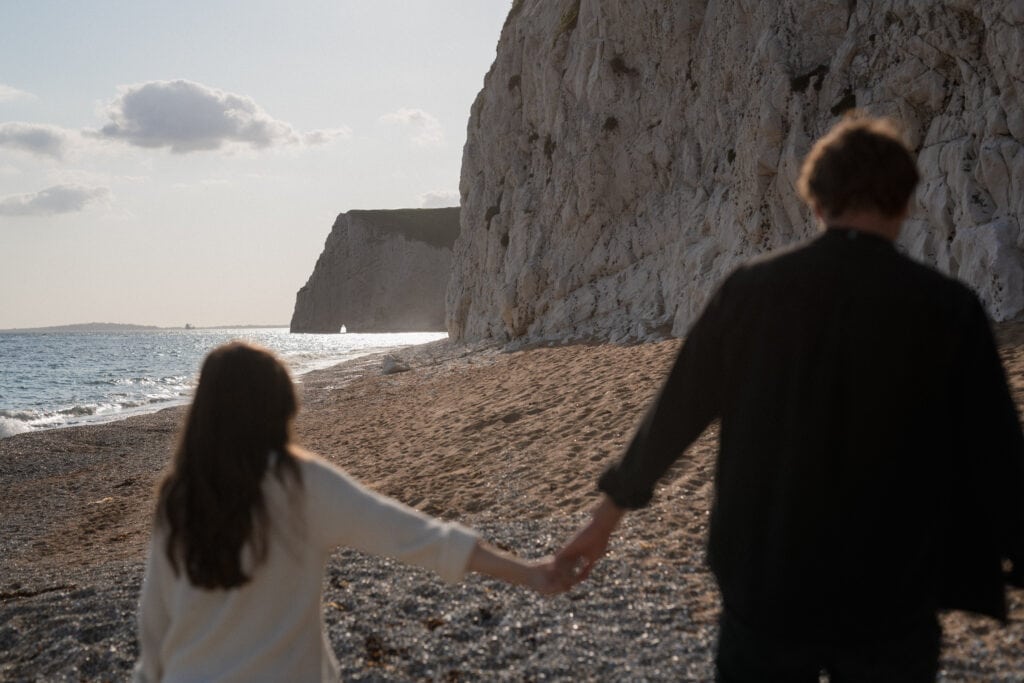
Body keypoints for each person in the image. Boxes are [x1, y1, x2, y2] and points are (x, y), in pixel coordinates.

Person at [556, 114, 1024, 681]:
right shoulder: (948, 307)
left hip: (767, 584)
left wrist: (605, 519)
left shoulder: (750, 292)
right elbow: (997, 452)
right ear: (904, 203)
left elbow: (674, 414)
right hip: (893, 592)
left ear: (815, 202)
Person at [133, 342, 566, 682]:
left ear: (204, 414)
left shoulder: (180, 496)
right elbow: (417, 536)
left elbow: (154, 622)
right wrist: (527, 572)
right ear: (279, 407)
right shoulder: (302, 484)